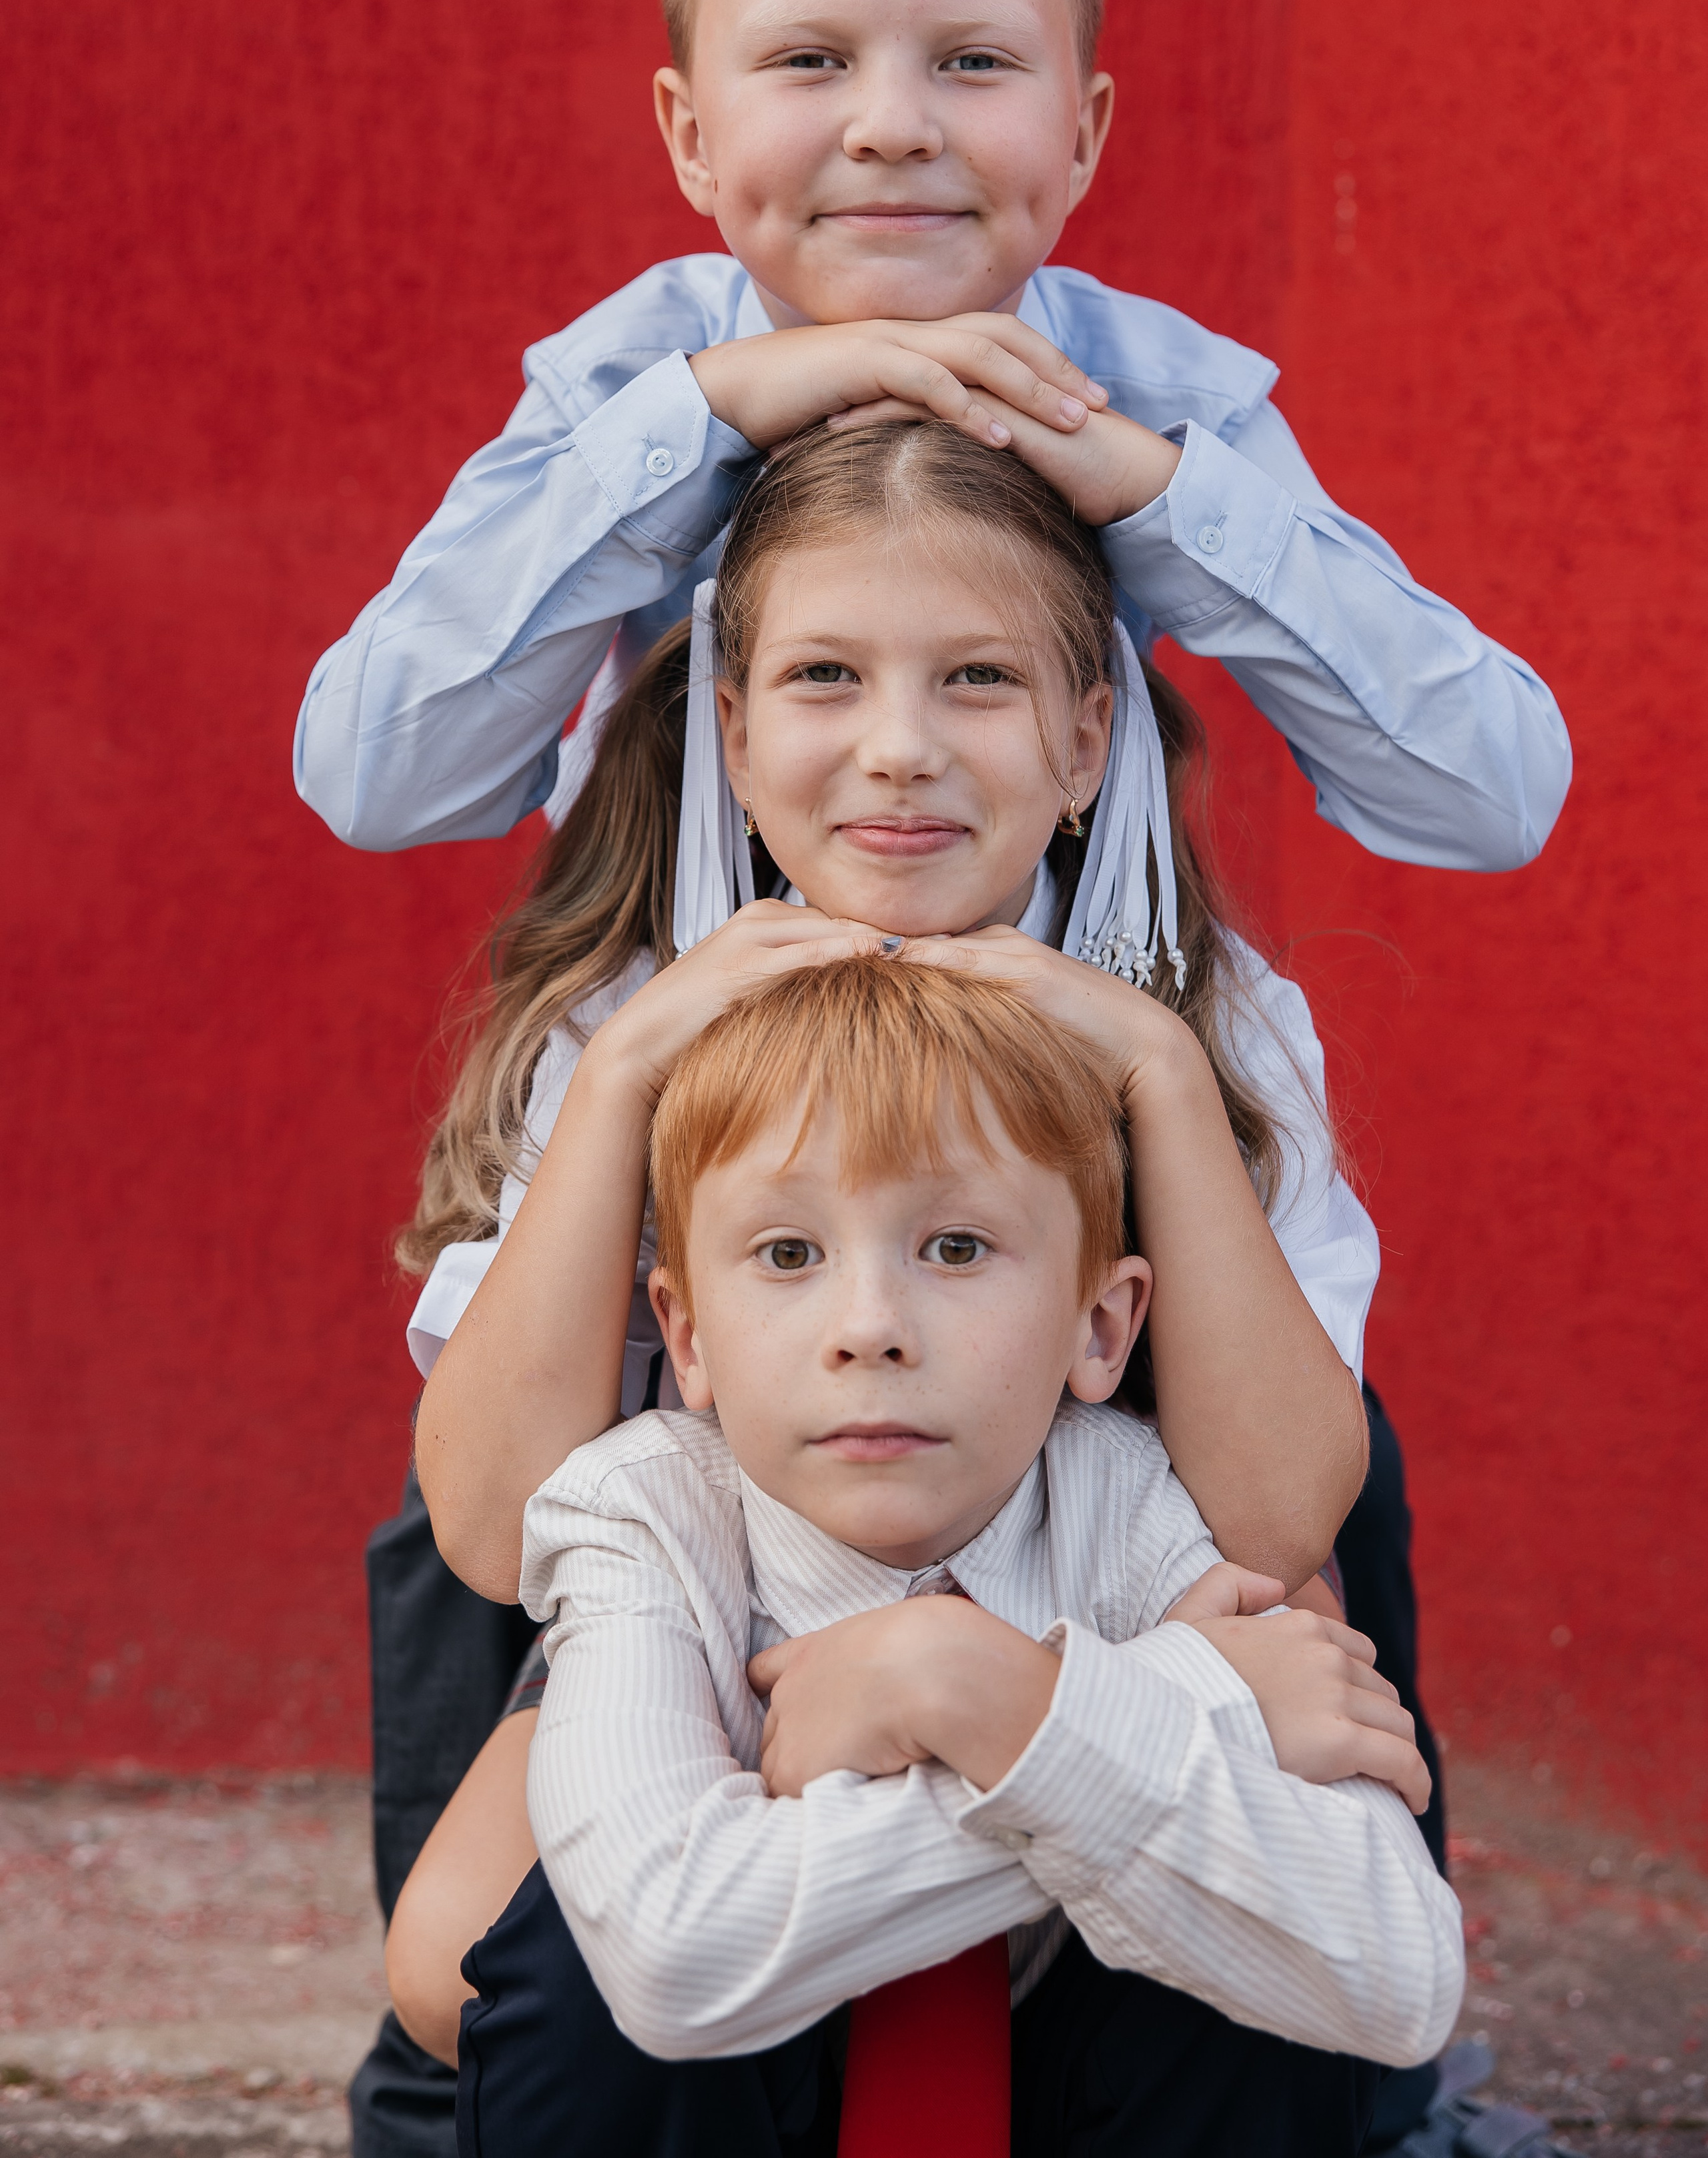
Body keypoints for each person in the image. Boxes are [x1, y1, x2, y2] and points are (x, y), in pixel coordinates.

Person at [297, 0, 1569, 2151]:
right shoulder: (622, 394)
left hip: (1097, 1260)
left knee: (1297, 1441)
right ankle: (514, 2033)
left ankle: (1312, 1971)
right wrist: (700, 428)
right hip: (707, 1262)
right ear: (689, 130)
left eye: (969, 67)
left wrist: (1156, 510)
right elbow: (378, 767)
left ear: (1081, 129)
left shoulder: (1165, 403)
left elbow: (1490, 790)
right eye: (814, 65)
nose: (893, 133)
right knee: (533, 1533)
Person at [384, 416, 1377, 2078]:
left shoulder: (1217, 1027)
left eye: (974, 681)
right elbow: (490, 1527)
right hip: (740, 1595)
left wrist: (1149, 1075)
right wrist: (628, 1074)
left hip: (1123, 1586)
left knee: (1320, 1704)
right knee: (462, 1966)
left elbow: (1273, 1520)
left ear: (1083, 741)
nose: (900, 747)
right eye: (827, 679)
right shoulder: (630, 1025)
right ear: (737, 735)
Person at [456, 953, 1464, 2157]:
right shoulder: (641, 1513)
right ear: (686, 1338)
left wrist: (962, 1691)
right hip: (747, 2108)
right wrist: (1175, 1700)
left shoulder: (1144, 1502)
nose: (870, 1330)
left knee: (1256, 1950)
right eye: (788, 1256)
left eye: (955, 1250)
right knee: (581, 1962)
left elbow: (1403, 1976)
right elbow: (675, 1957)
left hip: (1071, 2101)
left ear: (1102, 1328)